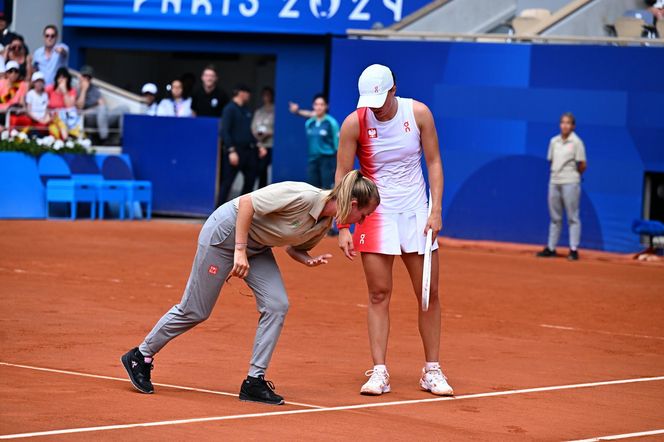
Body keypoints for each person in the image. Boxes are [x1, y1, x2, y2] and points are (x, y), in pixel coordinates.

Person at [121, 170, 380, 405]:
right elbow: (247, 203)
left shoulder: (324, 223)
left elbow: (292, 246)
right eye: (364, 215)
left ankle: (254, 381)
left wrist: (307, 260)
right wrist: (240, 251)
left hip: (256, 247)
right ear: (354, 204)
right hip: (225, 236)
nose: (363, 220)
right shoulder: (302, 195)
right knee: (195, 310)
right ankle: (140, 355)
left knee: (277, 304)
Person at [335, 64, 453, 397]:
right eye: (369, 101)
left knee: (427, 295)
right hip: (375, 215)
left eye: (380, 99)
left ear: (393, 89)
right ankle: (379, 371)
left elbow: (434, 162)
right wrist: (343, 225)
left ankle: (432, 370)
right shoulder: (353, 123)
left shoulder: (418, 114)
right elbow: (343, 174)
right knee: (378, 294)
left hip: (417, 213)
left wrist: (436, 210)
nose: (374, 106)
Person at [536, 112, 587, 261]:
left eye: (568, 123)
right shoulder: (554, 141)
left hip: (570, 182)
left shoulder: (577, 142)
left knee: (573, 217)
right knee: (555, 218)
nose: (565, 125)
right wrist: (557, 175)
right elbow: (551, 161)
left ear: (573, 126)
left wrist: (573, 176)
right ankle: (551, 248)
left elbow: (583, 164)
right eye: (562, 122)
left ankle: (573, 249)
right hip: (554, 182)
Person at [289, 94, 339, 189]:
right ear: (313, 106)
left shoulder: (331, 123)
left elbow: (337, 145)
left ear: (326, 106)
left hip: (327, 160)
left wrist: (335, 164)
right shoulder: (309, 123)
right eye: (316, 104)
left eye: (321, 104)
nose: (319, 107)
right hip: (312, 160)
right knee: (312, 189)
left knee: (327, 190)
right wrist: (297, 111)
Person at [218, 84, 258, 203]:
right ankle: (218, 213)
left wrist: (258, 144)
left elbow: (248, 131)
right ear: (241, 93)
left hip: (248, 151)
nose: (249, 96)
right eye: (247, 93)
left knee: (250, 179)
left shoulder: (246, 110)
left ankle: (241, 209)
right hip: (235, 151)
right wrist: (231, 150)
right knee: (227, 182)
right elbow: (224, 131)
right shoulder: (229, 109)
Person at [76, 65, 109, 144]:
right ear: (80, 76)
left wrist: (92, 108)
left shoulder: (94, 89)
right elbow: (79, 107)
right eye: (84, 76)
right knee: (100, 110)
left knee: (124, 108)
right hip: (83, 118)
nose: (86, 79)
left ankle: (116, 139)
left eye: (89, 77)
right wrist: (84, 90)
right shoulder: (76, 89)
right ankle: (104, 139)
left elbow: (103, 105)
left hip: (97, 116)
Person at [45, 67, 80, 140]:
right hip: (52, 117)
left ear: (67, 79)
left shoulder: (71, 91)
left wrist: (64, 91)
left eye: (63, 78)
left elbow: (70, 106)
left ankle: (67, 139)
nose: (61, 80)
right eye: (59, 77)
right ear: (56, 79)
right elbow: (43, 102)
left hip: (66, 118)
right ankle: (66, 139)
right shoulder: (50, 89)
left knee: (64, 115)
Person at [251, 86, 274, 189]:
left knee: (264, 168)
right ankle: (259, 190)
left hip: (270, 144)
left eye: (268, 95)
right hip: (259, 143)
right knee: (258, 169)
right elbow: (253, 127)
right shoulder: (259, 111)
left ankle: (264, 189)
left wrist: (268, 133)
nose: (266, 97)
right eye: (264, 95)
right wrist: (257, 137)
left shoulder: (275, 110)